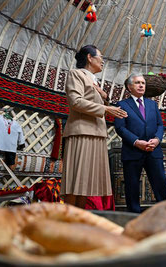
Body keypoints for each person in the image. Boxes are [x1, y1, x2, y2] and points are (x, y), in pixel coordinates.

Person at [61, 45, 127, 209]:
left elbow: (93, 101)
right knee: (75, 179)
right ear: (89, 58)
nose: (103, 60)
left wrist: (105, 98)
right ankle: (68, 220)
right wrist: (105, 108)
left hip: (97, 132)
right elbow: (75, 101)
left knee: (86, 182)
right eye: (100, 56)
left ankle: (80, 218)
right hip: (82, 131)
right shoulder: (76, 74)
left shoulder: (94, 80)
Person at [114, 73, 166, 213]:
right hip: (133, 151)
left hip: (153, 151)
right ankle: (133, 216)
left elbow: (160, 125)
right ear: (129, 87)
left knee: (161, 184)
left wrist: (157, 140)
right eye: (137, 82)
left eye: (143, 83)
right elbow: (120, 128)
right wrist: (136, 142)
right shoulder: (122, 105)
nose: (141, 85)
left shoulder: (152, 104)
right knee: (132, 186)